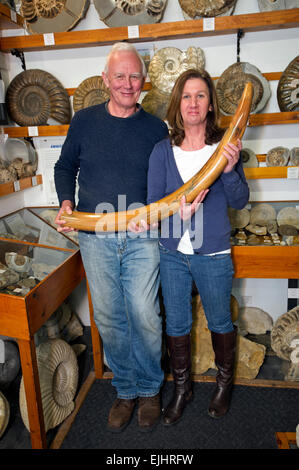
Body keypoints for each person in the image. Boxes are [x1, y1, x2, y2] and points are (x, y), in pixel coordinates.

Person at [54, 42, 169, 433]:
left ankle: (151, 388)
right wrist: (66, 201)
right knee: (108, 316)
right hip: (94, 235)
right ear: (106, 79)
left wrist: (152, 213)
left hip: (142, 237)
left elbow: (164, 182)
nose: (127, 83)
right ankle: (125, 389)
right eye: (119, 76)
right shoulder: (84, 121)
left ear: (144, 81)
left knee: (143, 313)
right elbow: (64, 165)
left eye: (134, 76)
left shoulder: (156, 128)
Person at [146, 68, 250, 425]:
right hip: (172, 252)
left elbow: (240, 202)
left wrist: (231, 170)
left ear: (210, 104)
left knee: (220, 320)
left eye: (201, 95)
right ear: (178, 104)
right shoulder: (162, 151)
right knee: (176, 322)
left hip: (214, 253)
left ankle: (223, 386)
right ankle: (182, 389)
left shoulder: (225, 149)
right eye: (187, 96)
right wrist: (180, 211)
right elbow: (153, 204)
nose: (193, 102)